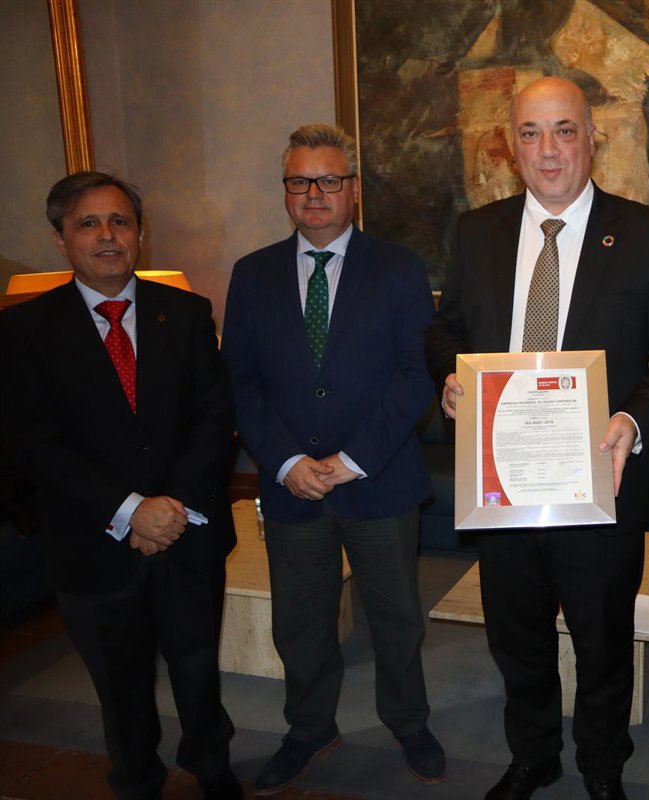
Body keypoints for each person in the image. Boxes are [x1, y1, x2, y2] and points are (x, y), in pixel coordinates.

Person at [426, 76, 649, 800]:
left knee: (602, 640)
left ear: (592, 137)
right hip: (503, 483)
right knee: (514, 637)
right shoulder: (477, 232)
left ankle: (603, 765)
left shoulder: (648, 233)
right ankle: (534, 755)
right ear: (510, 145)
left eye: (563, 130)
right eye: (530, 132)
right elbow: (447, 328)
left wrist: (633, 420)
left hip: (601, 483)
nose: (547, 150)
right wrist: (452, 377)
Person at [0, 172, 241, 799]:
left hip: (187, 532)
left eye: (120, 222)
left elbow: (215, 417)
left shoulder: (186, 312)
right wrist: (131, 509)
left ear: (139, 234)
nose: (107, 235)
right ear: (60, 239)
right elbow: (33, 444)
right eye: (88, 223)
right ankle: (136, 777)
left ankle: (211, 764)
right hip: (92, 542)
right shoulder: (22, 331)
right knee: (119, 681)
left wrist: (169, 507)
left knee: (197, 666)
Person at [221, 123, 443, 795]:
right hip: (291, 485)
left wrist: (353, 459)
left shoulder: (400, 268)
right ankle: (310, 728)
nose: (314, 193)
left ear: (354, 189)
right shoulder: (252, 273)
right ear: (285, 190)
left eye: (329, 180)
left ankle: (408, 722)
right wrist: (285, 460)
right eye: (300, 181)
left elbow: (416, 375)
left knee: (397, 617)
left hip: (379, 479)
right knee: (300, 620)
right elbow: (241, 382)